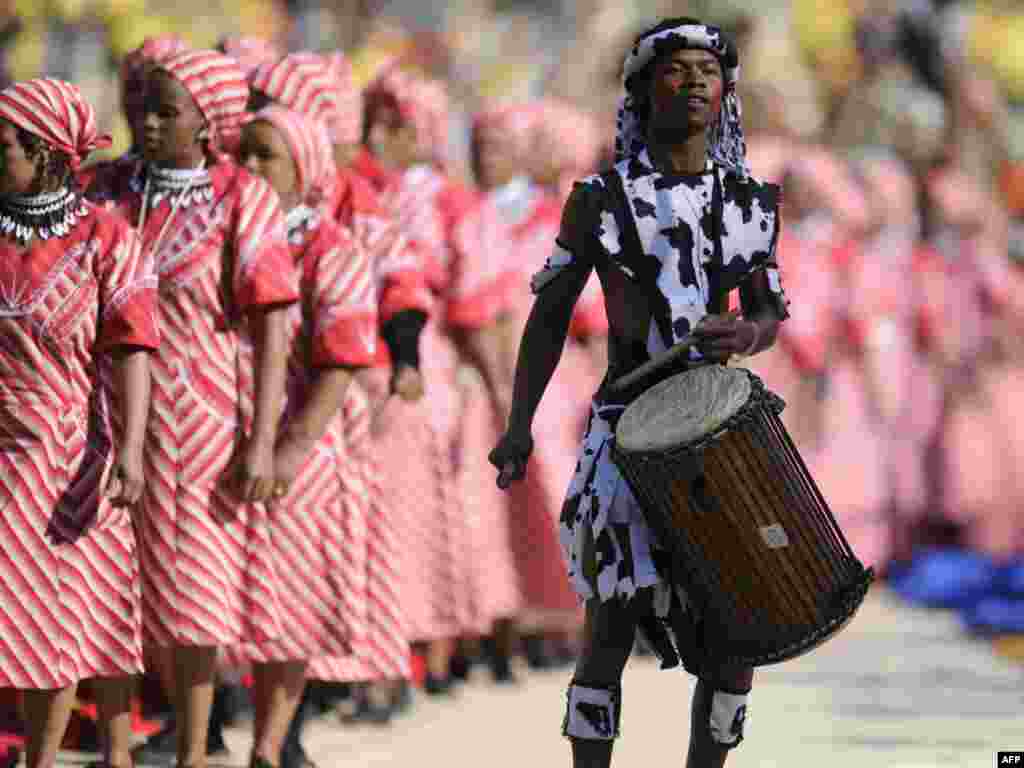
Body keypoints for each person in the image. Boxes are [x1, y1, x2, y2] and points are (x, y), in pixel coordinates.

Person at [490, 18, 789, 768]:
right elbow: (549, 315)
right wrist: (519, 424)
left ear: (726, 94)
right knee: (611, 624)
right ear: (640, 90)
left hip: (724, 432)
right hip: (625, 428)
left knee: (735, 632)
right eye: (674, 69)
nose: (692, 81)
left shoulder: (750, 201)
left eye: (706, 71)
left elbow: (766, 313)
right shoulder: (598, 199)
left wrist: (745, 338)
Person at [85, 48, 298, 768]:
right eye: (141, 106)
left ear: (210, 123)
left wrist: (263, 439)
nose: (145, 122)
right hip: (100, 413)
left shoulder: (243, 198)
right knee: (108, 578)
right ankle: (124, 739)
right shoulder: (107, 190)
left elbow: (272, 328)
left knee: (193, 586)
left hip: (200, 419)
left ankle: (196, 743)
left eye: (165, 111)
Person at [0, 78, 159, 768]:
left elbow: (131, 348)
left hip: (62, 458)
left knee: (47, 622)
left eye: (2, 143)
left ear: (43, 151)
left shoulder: (105, 236)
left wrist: (130, 450)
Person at [234, 104, 378, 768]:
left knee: (288, 606)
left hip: (301, 448)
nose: (250, 169)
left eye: (267, 157)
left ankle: (272, 744)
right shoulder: (226, 235)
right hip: (223, 442)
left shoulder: (330, 250)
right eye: (244, 154)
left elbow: (343, 359)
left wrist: (291, 447)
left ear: (306, 168)